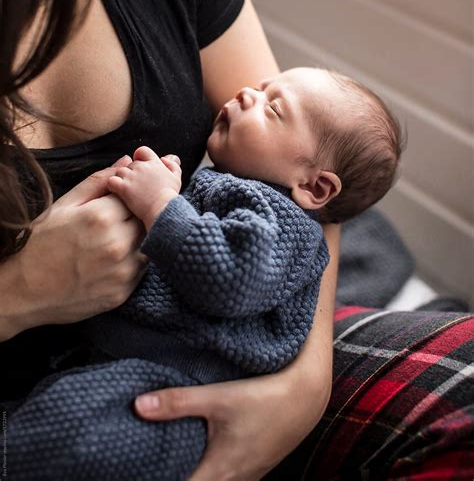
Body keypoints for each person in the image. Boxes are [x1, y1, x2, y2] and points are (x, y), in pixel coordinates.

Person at [0, 0, 472, 480]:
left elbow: (304, 196)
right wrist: (21, 291)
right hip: (73, 404)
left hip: (224, 368)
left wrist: (298, 394)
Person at [8, 66, 404, 480]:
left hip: (174, 389)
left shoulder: (285, 223)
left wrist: (161, 203)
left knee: (69, 441)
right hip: (120, 365)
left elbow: (234, 280)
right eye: (260, 87)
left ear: (315, 188)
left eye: (273, 109)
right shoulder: (238, 189)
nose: (247, 93)